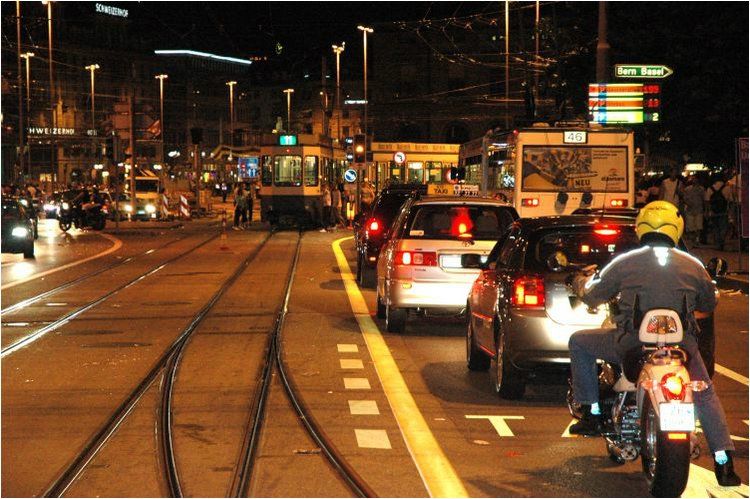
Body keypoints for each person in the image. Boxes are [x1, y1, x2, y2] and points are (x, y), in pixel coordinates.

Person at [567, 201, 741, 487]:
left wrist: (580, 283)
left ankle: (592, 413)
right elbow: (709, 302)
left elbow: (594, 294)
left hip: (632, 344)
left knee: (578, 342)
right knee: (705, 393)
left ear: (641, 227)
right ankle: (724, 462)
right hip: (682, 348)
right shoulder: (693, 264)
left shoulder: (625, 262)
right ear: (677, 228)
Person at [705, 173, 730, 251]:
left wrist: (707, 211)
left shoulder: (710, 188)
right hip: (724, 211)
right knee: (723, 227)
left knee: (715, 227)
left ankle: (718, 243)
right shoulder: (727, 188)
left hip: (714, 212)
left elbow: (707, 201)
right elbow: (729, 200)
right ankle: (722, 240)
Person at [682, 175, 705, 245]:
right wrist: (688, 203)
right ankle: (692, 240)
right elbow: (684, 199)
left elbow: (704, 199)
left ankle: (697, 239)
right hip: (689, 210)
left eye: (695, 179)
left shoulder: (701, 189)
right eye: (693, 179)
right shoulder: (687, 189)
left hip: (699, 209)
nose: (694, 180)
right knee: (690, 227)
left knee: (698, 226)